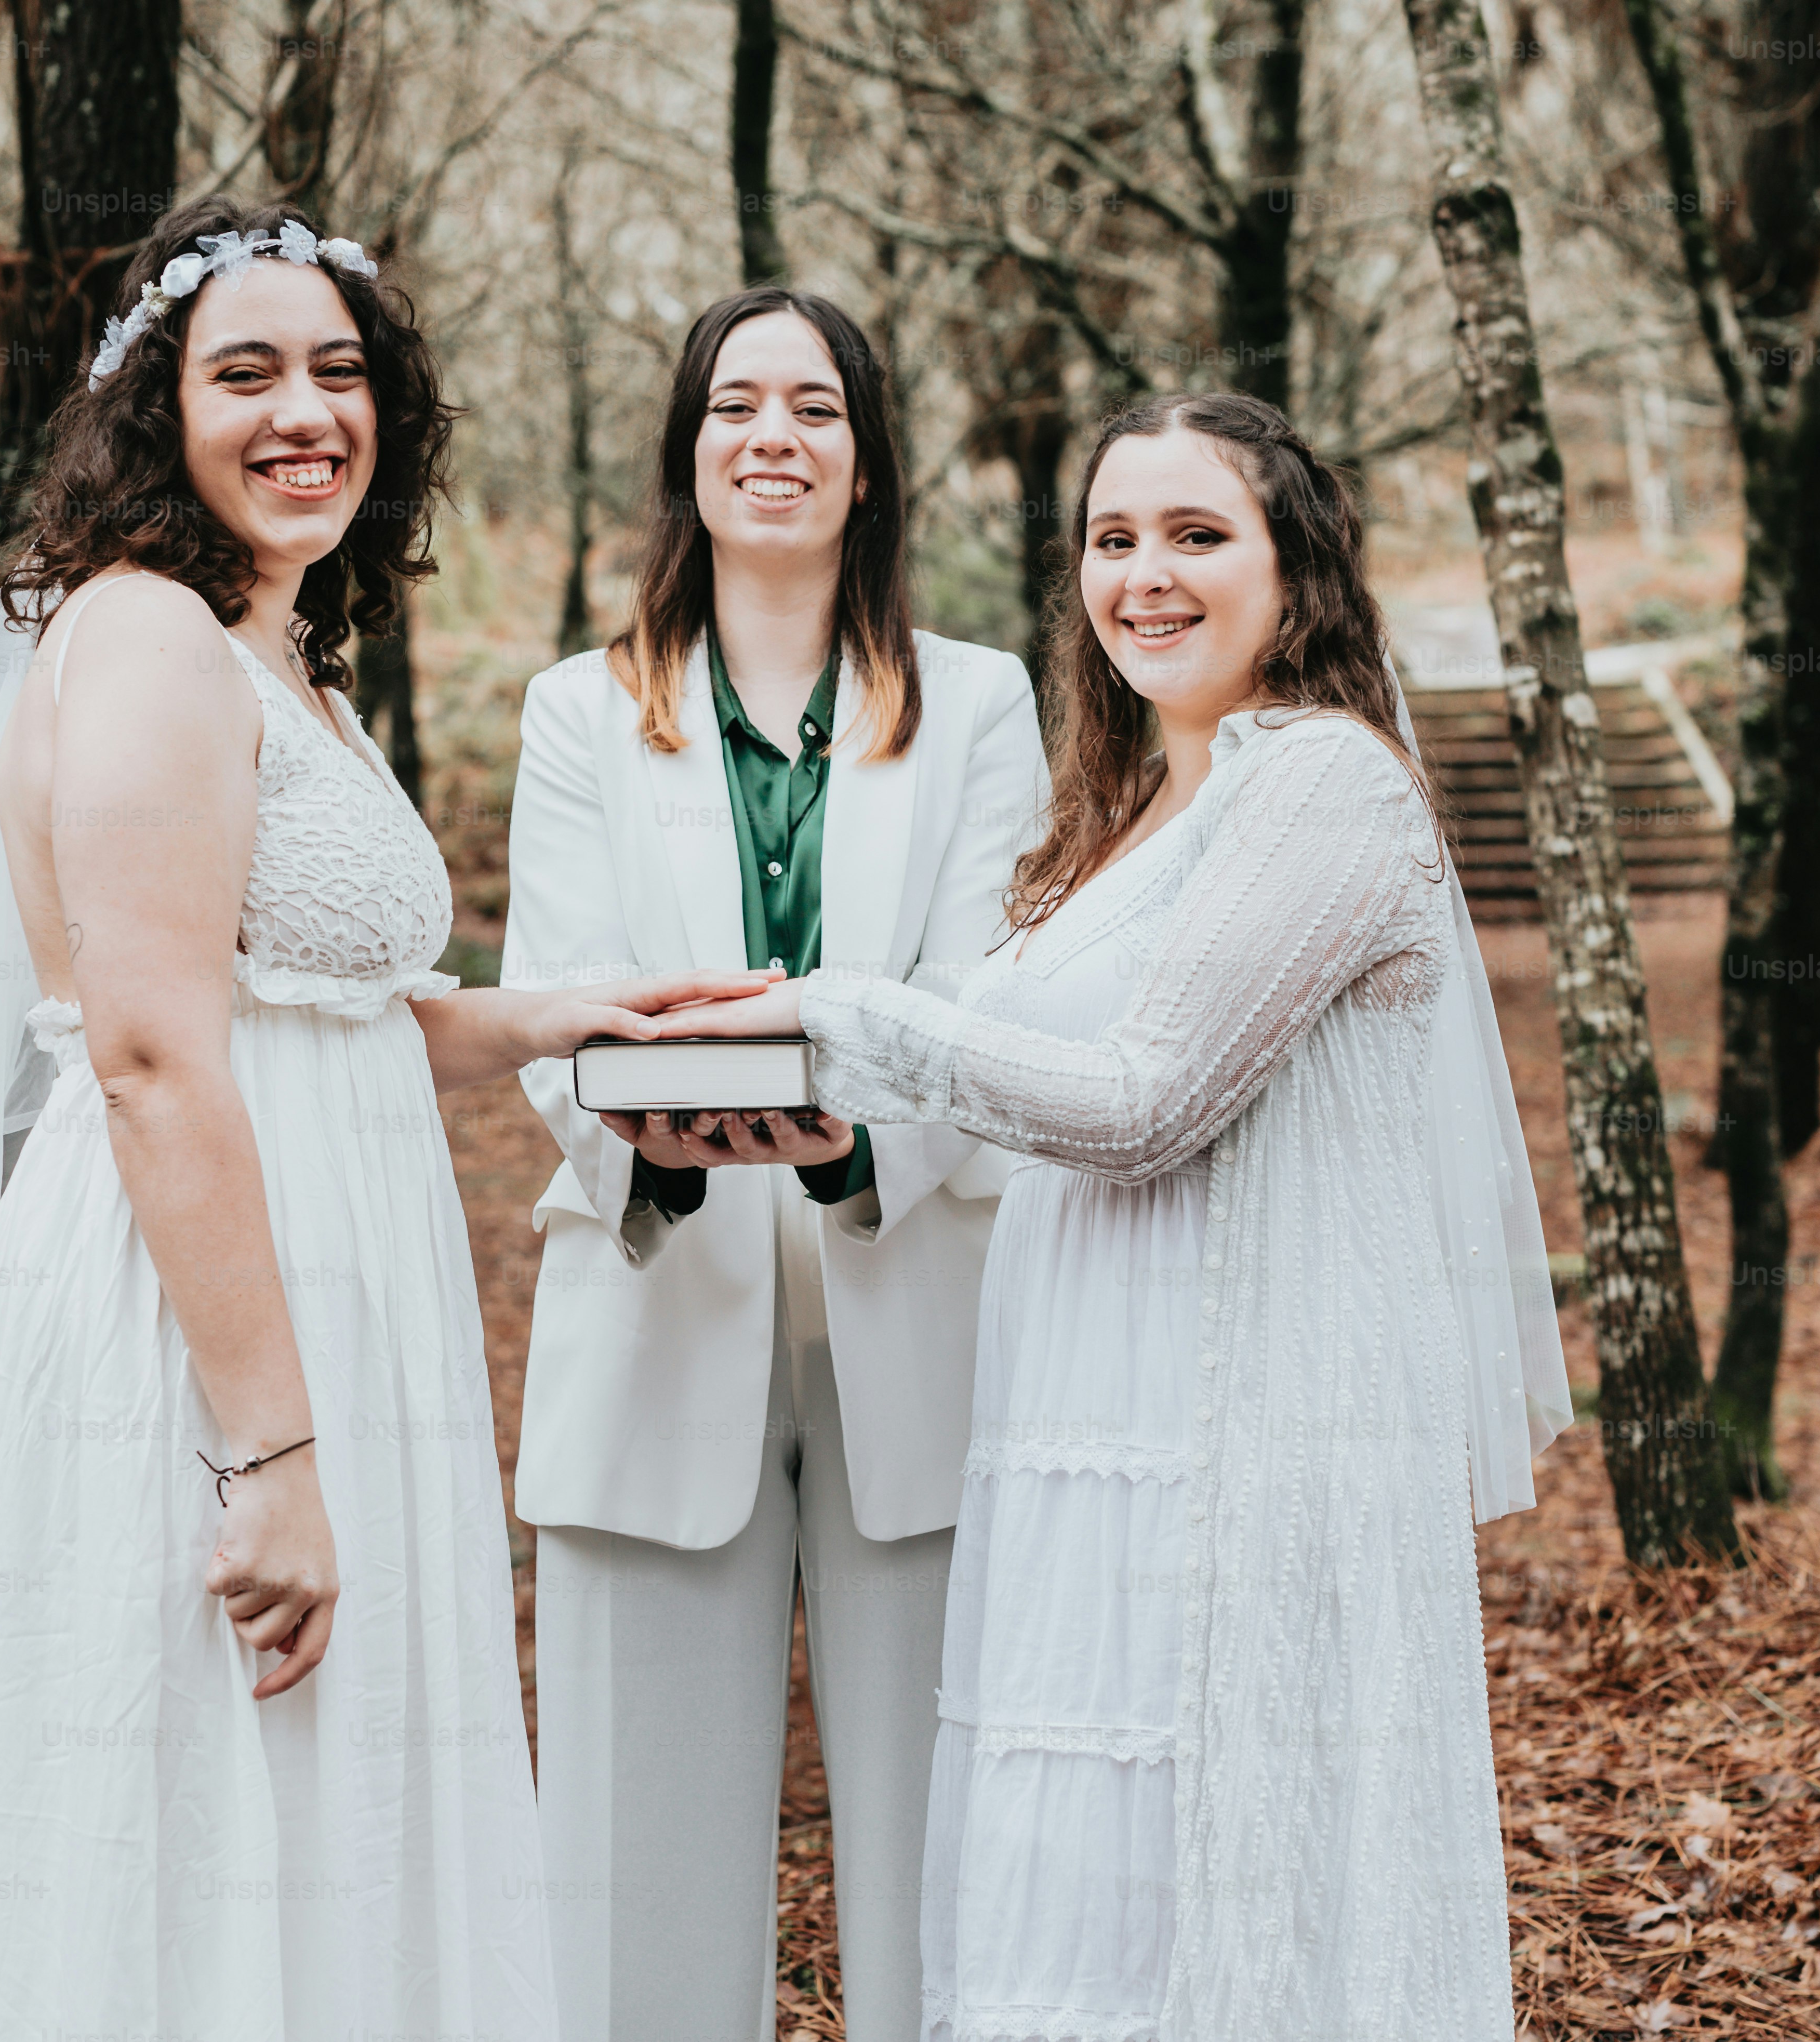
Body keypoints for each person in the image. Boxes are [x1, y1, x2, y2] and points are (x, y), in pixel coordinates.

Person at [0, 195, 762, 2042]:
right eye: (246, 372)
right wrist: (267, 1458)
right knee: (208, 1859)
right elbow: (155, 1059)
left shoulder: (271, 652)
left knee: (329, 1843)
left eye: (341, 373)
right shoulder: (150, 642)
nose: (305, 413)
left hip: (329, 1310)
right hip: (194, 1347)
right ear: (154, 413)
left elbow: (309, 1007)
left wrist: (553, 1016)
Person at [651, 391, 1575, 2040]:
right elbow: (1020, 1076)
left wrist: (842, 1023)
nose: (1144, 574)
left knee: (1221, 1892)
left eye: (1198, 535)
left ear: (1302, 573)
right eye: (1114, 537)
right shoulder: (1133, 806)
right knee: (1086, 1898)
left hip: (1245, 1427)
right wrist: (769, 1092)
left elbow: (1150, 1103)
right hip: (1091, 1419)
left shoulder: (1323, 787)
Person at [499, 285, 1048, 2042]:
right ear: (689, 455)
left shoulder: (978, 704)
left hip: (914, 1303)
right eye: (737, 407)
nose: (774, 439)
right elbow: (551, 1003)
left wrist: (858, 1143)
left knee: (943, 1861)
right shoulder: (582, 712)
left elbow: (988, 1004)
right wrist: (644, 1143)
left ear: (871, 462)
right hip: (661, 1309)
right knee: (630, 1880)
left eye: (816, 409)